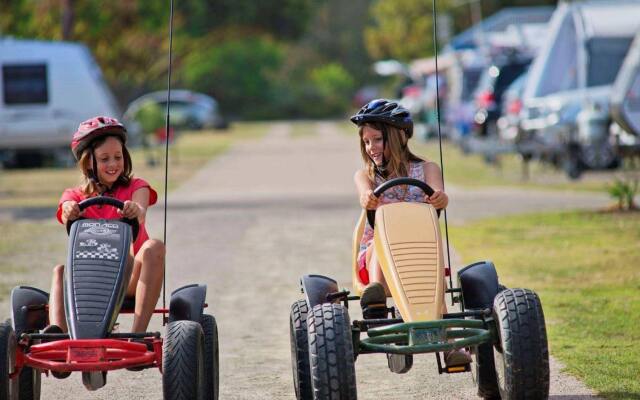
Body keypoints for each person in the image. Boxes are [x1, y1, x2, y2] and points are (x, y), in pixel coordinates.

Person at [351, 99, 470, 366]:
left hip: (419, 247)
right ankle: (376, 303)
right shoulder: (366, 176)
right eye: (366, 142)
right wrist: (368, 197)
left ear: (398, 136)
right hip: (376, 254)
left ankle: (448, 344)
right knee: (381, 245)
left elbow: (438, 192)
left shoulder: (427, 169)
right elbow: (363, 194)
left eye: (377, 139)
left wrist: (439, 198)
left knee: (432, 266)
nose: (371, 148)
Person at [49, 116, 165, 336]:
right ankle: (57, 335)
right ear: (88, 162)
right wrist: (70, 210)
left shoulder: (136, 187)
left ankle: (137, 336)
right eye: (104, 159)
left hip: (128, 277)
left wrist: (134, 210)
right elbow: (65, 211)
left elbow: (140, 211)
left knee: (154, 247)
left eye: (118, 157)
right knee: (60, 270)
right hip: (89, 281)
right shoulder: (74, 195)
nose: (113, 164)